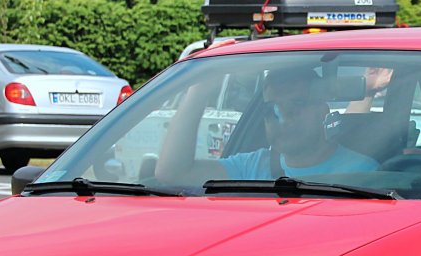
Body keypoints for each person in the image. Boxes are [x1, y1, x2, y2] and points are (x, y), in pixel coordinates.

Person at [158, 67, 376, 182]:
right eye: (271, 110)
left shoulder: (363, 173)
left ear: (322, 111)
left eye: (297, 104)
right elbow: (172, 173)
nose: (283, 117)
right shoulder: (250, 167)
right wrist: (199, 89)